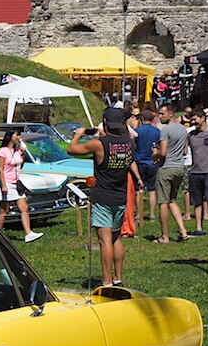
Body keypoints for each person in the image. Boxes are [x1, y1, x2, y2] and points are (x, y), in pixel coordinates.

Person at [69, 108, 141, 286]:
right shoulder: (129, 143)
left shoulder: (98, 144)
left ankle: (107, 281)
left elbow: (72, 150)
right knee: (117, 238)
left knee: (104, 241)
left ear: (106, 123)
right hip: (120, 195)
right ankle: (117, 278)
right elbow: (115, 143)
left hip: (102, 196)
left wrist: (78, 134)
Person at [0, 129, 42, 243]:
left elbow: (20, 165)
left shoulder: (17, 151)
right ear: (10, 136)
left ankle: (29, 233)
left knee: (24, 207)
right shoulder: (3, 151)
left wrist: (23, 154)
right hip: (6, 182)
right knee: (4, 210)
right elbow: (0, 169)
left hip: (16, 183)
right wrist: (3, 185)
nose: (18, 137)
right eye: (17, 135)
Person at [153, 103, 190, 242]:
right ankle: (183, 232)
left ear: (170, 113)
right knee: (172, 200)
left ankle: (164, 236)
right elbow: (185, 150)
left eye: (162, 114)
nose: (159, 116)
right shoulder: (183, 130)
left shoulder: (165, 130)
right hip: (180, 168)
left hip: (166, 168)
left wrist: (154, 155)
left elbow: (162, 152)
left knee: (163, 202)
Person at [133, 109, 161, 224]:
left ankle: (139, 214)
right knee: (152, 189)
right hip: (152, 162)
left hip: (139, 161)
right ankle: (152, 214)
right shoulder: (157, 131)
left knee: (139, 189)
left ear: (142, 119)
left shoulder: (137, 131)